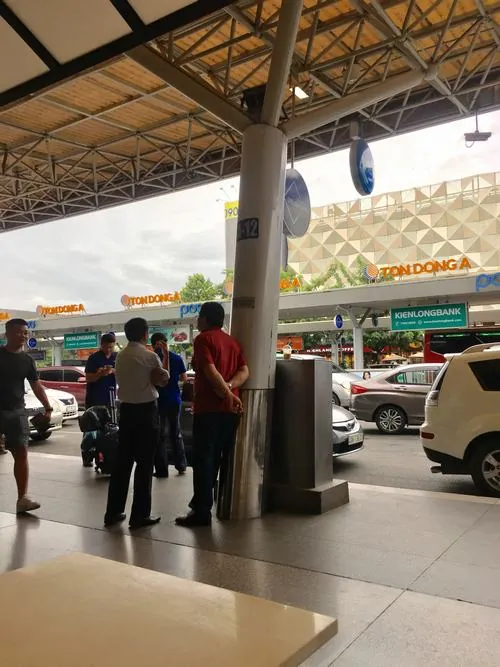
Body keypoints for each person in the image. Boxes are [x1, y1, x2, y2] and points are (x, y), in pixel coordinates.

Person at [176, 302, 249, 528]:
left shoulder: (203, 339)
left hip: (209, 409)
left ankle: (201, 511)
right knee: (217, 458)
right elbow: (245, 370)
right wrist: (231, 390)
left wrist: (225, 392)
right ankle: (202, 502)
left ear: (206, 318)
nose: (197, 320)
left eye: (199, 316)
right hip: (231, 411)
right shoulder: (232, 342)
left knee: (203, 460)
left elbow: (209, 370)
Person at [104, 318, 169, 530]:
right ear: (145, 334)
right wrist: (164, 360)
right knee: (144, 464)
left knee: (122, 463)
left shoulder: (121, 356)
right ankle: (139, 515)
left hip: (126, 412)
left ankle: (113, 512)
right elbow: (162, 380)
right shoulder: (149, 356)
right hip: (146, 412)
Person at [0, 318, 53, 513]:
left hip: (17, 411)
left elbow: (36, 386)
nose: (23, 336)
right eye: (18, 332)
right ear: (7, 334)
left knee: (21, 452)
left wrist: (48, 407)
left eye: (25, 332)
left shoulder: (27, 360)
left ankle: (22, 499)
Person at [151, 332, 188, 477]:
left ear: (153, 345)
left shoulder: (152, 359)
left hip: (159, 401)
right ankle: (181, 465)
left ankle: (162, 470)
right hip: (174, 399)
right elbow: (184, 378)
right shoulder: (177, 358)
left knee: (159, 436)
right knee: (175, 433)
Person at [85, 333, 117, 409]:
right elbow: (88, 378)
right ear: (101, 345)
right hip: (95, 399)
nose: (108, 350)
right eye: (105, 347)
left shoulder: (117, 357)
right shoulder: (93, 358)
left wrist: (112, 371)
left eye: (111, 347)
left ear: (114, 345)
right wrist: (99, 374)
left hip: (111, 397)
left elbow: (123, 375)